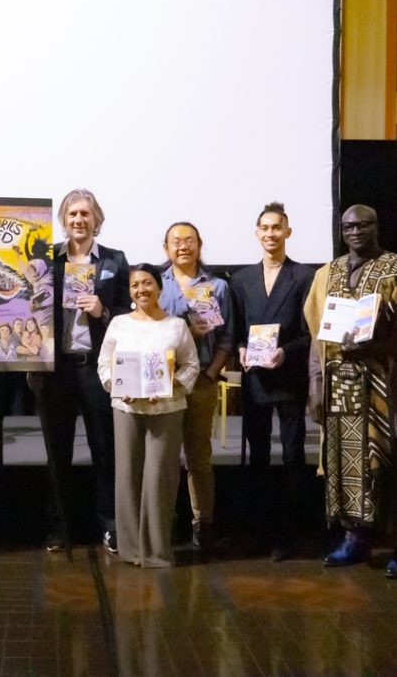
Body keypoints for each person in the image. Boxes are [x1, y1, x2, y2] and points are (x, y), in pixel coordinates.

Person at [304, 204, 397, 577]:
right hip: (341, 386)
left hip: (388, 385)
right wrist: (316, 384)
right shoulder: (327, 274)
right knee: (346, 464)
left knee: (396, 464)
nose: (356, 231)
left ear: (377, 226)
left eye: (364, 224)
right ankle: (355, 539)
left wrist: (375, 347)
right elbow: (317, 336)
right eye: (349, 226)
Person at [32, 188, 130, 553]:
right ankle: (59, 528)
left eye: (85, 214)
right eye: (72, 214)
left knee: (104, 449)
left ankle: (109, 526)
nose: (78, 220)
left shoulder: (115, 261)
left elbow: (127, 311)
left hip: (96, 369)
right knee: (57, 452)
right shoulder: (47, 260)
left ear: (96, 220)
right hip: (56, 370)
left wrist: (102, 311)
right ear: (63, 220)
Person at [98, 264, 200, 567]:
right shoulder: (118, 324)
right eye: (135, 285)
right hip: (127, 407)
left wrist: (170, 385)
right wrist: (117, 387)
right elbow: (105, 363)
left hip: (165, 408)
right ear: (129, 291)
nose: (141, 290)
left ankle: (157, 551)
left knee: (160, 478)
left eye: (147, 283)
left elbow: (191, 365)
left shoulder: (176, 326)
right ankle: (131, 550)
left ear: (159, 287)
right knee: (127, 476)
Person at [229, 203, 314, 561]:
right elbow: (236, 330)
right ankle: (260, 531)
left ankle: (290, 533)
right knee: (258, 456)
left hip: (289, 376)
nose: (270, 233)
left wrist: (287, 352)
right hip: (256, 380)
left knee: (293, 455)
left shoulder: (305, 276)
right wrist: (242, 349)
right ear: (256, 232)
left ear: (288, 232)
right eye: (264, 227)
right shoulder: (242, 279)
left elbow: (311, 332)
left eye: (276, 227)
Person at [158, 221, 234, 555]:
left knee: (198, 456)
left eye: (189, 240)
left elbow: (228, 338)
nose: (183, 246)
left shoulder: (217, 286)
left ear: (200, 245)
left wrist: (211, 374)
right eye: (176, 241)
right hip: (163, 384)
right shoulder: (153, 284)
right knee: (164, 456)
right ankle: (165, 521)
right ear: (166, 248)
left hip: (201, 381)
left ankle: (203, 524)